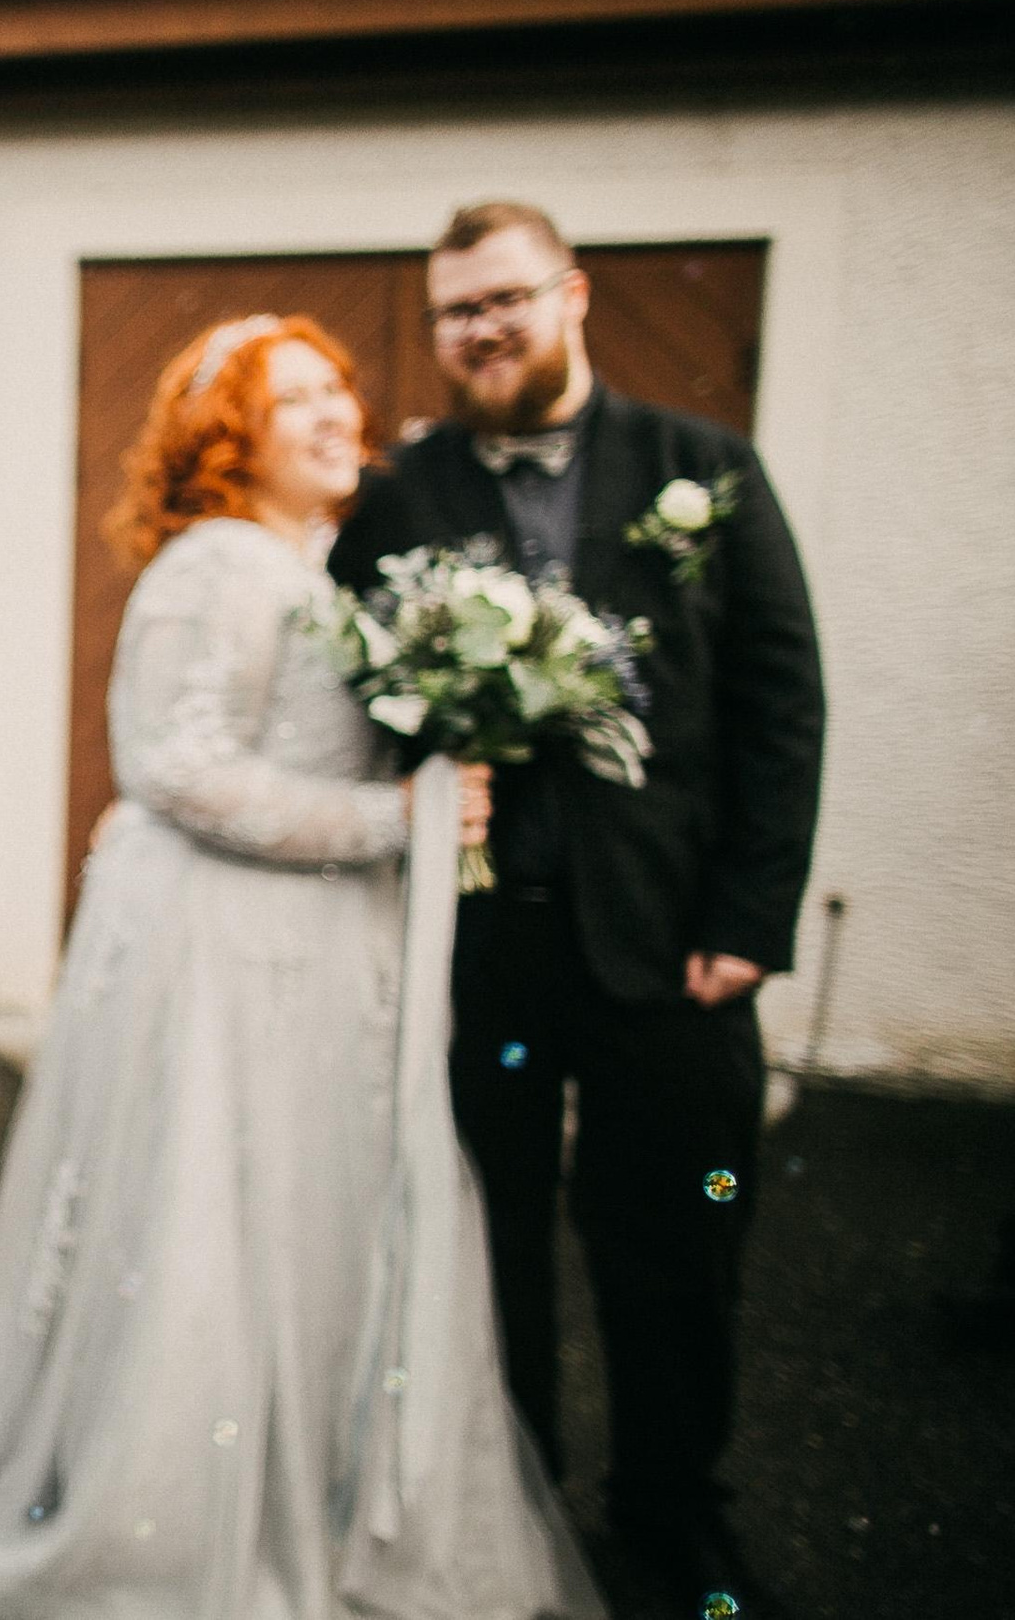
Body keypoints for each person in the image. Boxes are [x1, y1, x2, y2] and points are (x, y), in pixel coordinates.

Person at [0, 317, 601, 1618]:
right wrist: (402, 818)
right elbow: (176, 767)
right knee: (220, 1216)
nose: (339, 413)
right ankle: (183, 1512)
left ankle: (305, 1480)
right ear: (232, 440)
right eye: (298, 399)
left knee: (301, 1214)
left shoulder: (303, 562)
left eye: (339, 389)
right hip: (231, 947)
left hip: (317, 944)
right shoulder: (213, 564)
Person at [331, 202, 824, 1615]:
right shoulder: (401, 492)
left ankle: (676, 1509)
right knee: (488, 1240)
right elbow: (358, 695)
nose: (480, 330)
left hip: (673, 948)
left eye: (504, 298)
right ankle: (511, 1500)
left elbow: (782, 699)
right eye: (455, 312)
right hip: (480, 947)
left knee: (679, 1240)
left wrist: (752, 912)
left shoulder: (703, 470)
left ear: (573, 294)